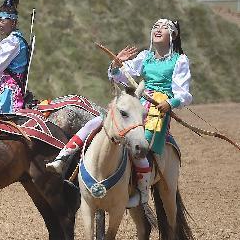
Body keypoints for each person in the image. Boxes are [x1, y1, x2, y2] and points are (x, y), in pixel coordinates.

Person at [46, 19, 192, 207]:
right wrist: (116, 64)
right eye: (155, 26)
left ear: (173, 35)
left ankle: (142, 191)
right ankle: (64, 157)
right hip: (137, 104)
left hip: (157, 111)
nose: (158, 29)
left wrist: (170, 103)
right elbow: (119, 77)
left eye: (164, 27)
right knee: (99, 123)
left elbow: (184, 94)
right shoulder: (145, 56)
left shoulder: (179, 60)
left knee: (141, 143)